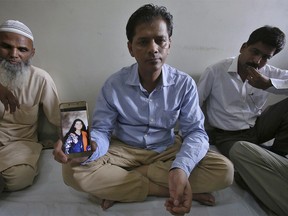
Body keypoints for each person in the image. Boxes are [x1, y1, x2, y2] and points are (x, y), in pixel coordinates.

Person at [53, 4, 233, 215]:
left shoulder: (184, 84)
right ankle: (167, 188)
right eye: (143, 42)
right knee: (71, 171)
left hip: (166, 149)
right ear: (131, 48)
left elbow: (195, 132)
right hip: (123, 150)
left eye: (160, 40)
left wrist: (180, 167)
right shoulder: (113, 85)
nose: (153, 48)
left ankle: (123, 185)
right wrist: (92, 148)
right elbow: (102, 131)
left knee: (225, 171)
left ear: (169, 44)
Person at [197, 26, 288, 216]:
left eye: (265, 57)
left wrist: (269, 85)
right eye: (255, 52)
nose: (257, 61)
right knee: (240, 150)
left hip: (257, 128)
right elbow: (195, 105)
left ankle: (276, 158)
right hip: (227, 136)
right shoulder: (215, 71)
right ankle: (253, 171)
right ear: (243, 47)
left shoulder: (268, 73)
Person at [0, 20, 60, 194]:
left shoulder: (41, 79)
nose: (14, 54)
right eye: (6, 46)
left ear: (32, 53)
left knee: (21, 175)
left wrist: (71, 143)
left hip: (18, 145)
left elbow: (59, 118)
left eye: (22, 49)